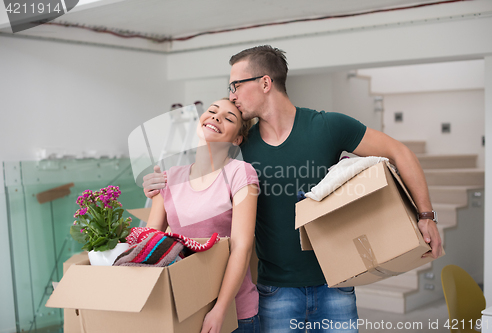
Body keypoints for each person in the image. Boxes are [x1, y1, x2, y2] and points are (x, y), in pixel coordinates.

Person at [144, 46, 443, 333]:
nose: (232, 95)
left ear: (264, 83)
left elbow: (400, 153)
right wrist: (160, 184)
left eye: (235, 85)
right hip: (274, 291)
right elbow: (201, 179)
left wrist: (426, 215)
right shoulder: (241, 145)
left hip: (336, 283)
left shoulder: (328, 126)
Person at [144, 98, 260, 333]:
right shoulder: (169, 177)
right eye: (212, 111)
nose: (216, 117)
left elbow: (242, 248)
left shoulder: (240, 172)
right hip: (184, 308)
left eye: (228, 118)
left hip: (234, 313)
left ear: (236, 140)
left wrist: (220, 310)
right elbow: (149, 245)